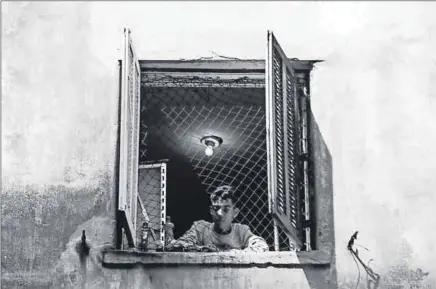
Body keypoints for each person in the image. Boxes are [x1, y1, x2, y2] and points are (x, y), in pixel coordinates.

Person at [165, 185, 269, 252]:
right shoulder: (200, 228)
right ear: (211, 211)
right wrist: (202, 250)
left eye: (226, 209)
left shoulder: (241, 231)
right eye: (216, 208)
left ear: (235, 213)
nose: (220, 213)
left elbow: (261, 246)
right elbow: (181, 244)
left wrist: (231, 253)